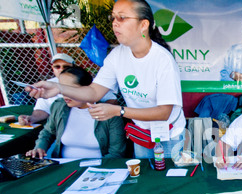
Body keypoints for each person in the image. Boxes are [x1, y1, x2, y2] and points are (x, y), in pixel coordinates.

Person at [26, 0, 185, 159]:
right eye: (113, 18)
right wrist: (58, 88)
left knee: (168, 179)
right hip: (142, 132)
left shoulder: (163, 60)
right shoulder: (117, 55)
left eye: (122, 18)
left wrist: (118, 111)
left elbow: (164, 112)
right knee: (145, 176)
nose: (115, 23)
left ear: (143, 24)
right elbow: (94, 91)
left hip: (168, 133)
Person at [26, 66, 126, 159]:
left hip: (97, 169)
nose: (65, 93)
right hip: (64, 165)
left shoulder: (109, 113)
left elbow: (116, 152)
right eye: (61, 88)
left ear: (86, 89)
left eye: (70, 89)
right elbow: (48, 132)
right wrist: (40, 147)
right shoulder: (59, 106)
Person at [18, 53, 74, 126]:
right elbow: (43, 109)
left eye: (66, 67)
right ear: (53, 68)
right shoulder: (47, 84)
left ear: (74, 68)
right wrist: (32, 118)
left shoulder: (85, 82)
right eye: (57, 66)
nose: (61, 69)